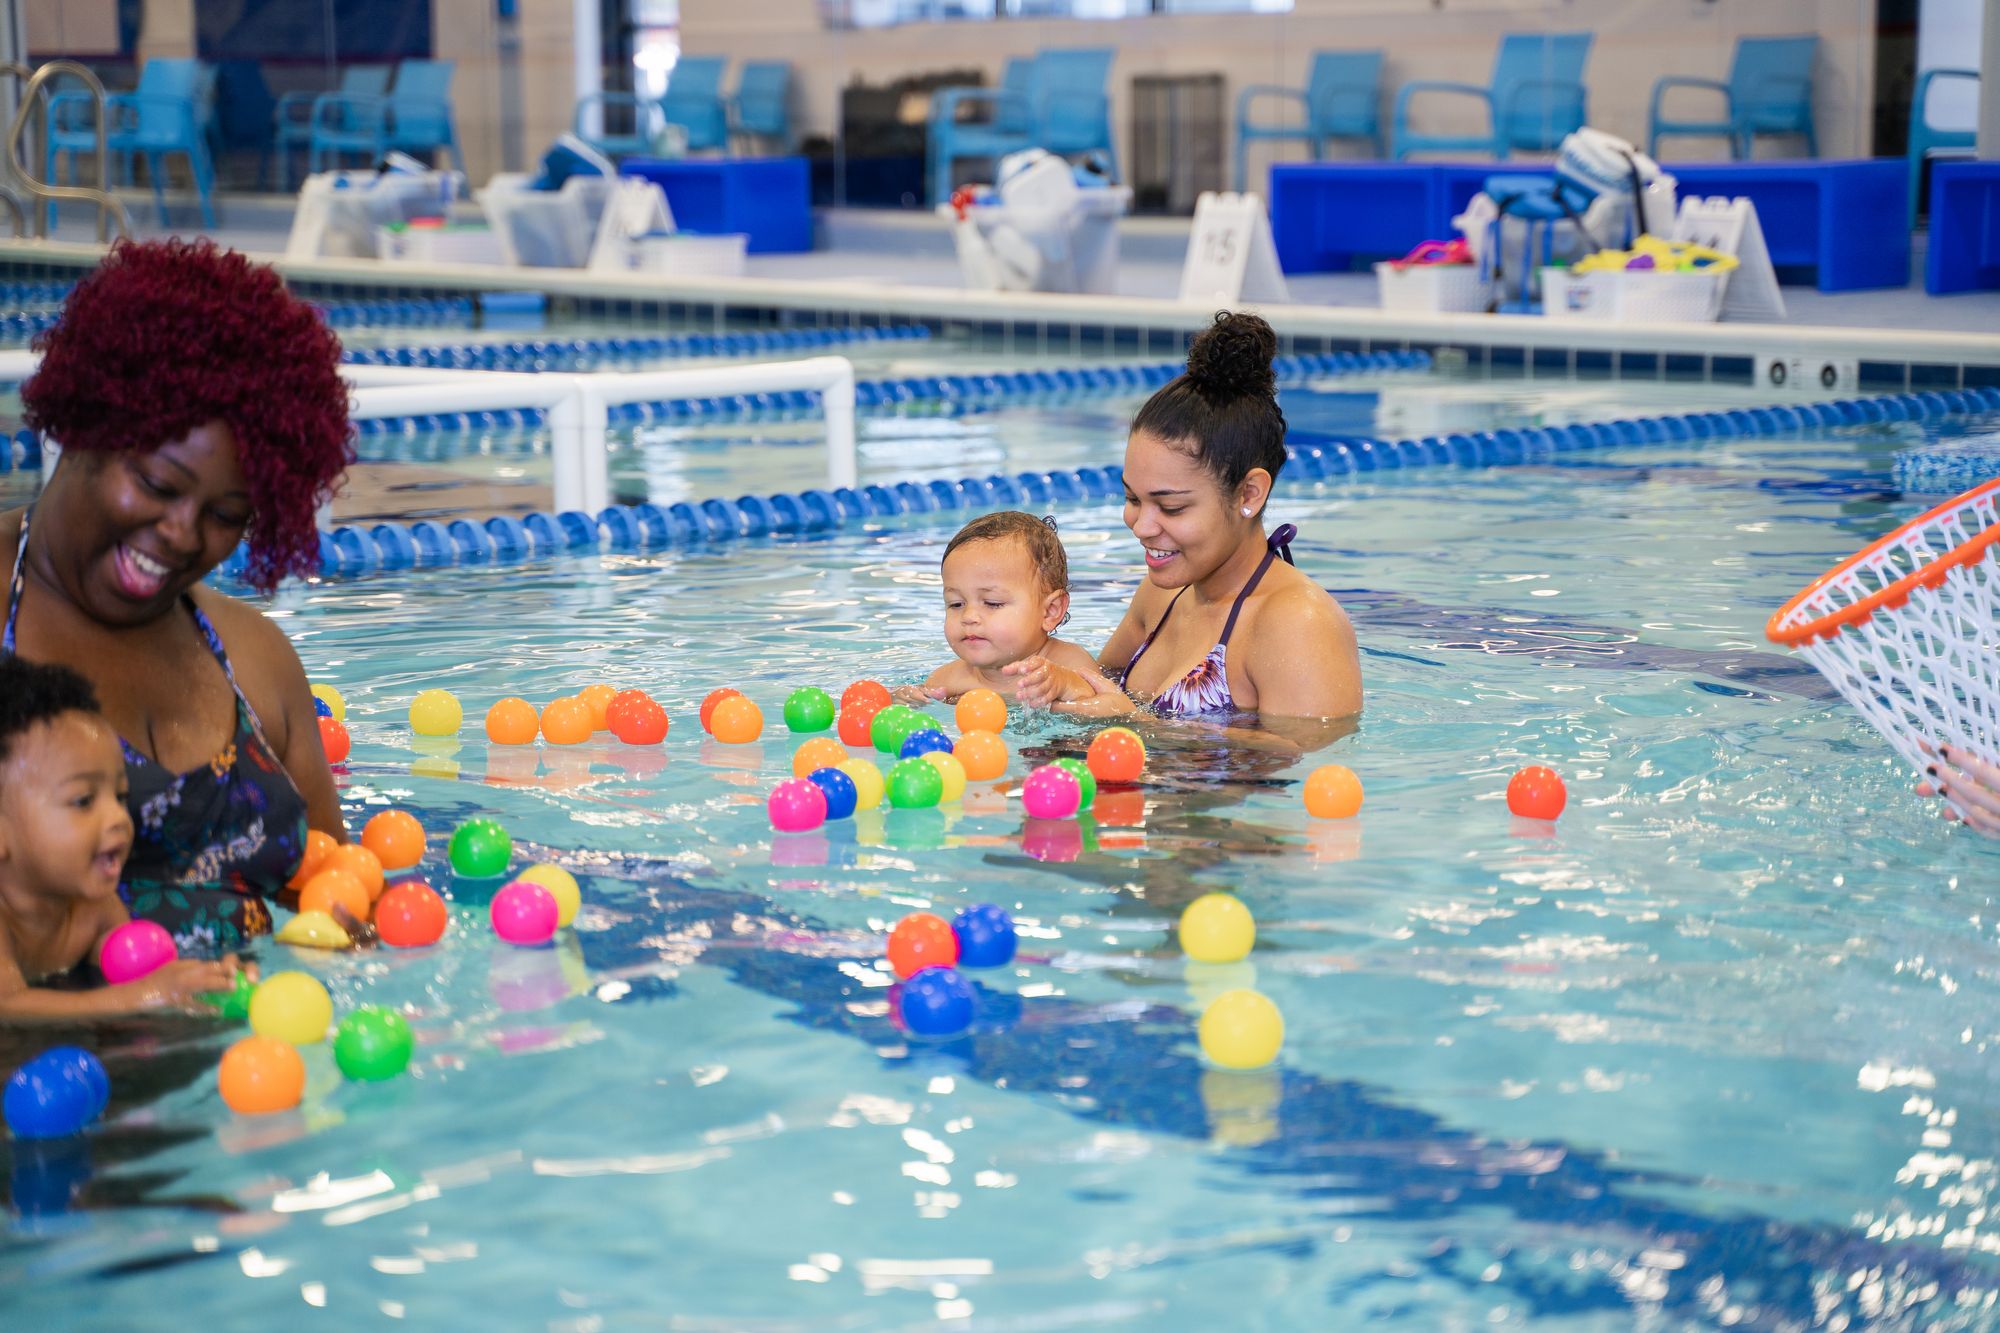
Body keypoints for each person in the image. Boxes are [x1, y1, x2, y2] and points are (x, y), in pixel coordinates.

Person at [0, 239, 353, 954]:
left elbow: (331, 881)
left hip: (261, 1052)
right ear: (86, 423)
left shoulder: (255, 659)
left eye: (226, 515)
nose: (181, 535)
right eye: (158, 485)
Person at [1014, 312, 1362, 741]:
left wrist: (1136, 724)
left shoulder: (1297, 622)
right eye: (1132, 499)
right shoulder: (1162, 594)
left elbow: (1306, 760)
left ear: (1249, 494)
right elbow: (1091, 685)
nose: (1141, 526)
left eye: (1172, 507)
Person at [0, 658, 246, 1018]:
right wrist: (141, 996)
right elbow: (7, 1006)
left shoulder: (93, 909)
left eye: (120, 796)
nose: (118, 817)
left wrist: (207, 982)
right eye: (83, 800)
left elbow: (142, 977)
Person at [897, 511, 1133, 717]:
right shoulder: (948, 679)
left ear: (1050, 611)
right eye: (956, 604)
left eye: (992, 603)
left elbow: (1108, 707)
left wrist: (1064, 684)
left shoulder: (1068, 664)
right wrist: (904, 699)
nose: (969, 616)